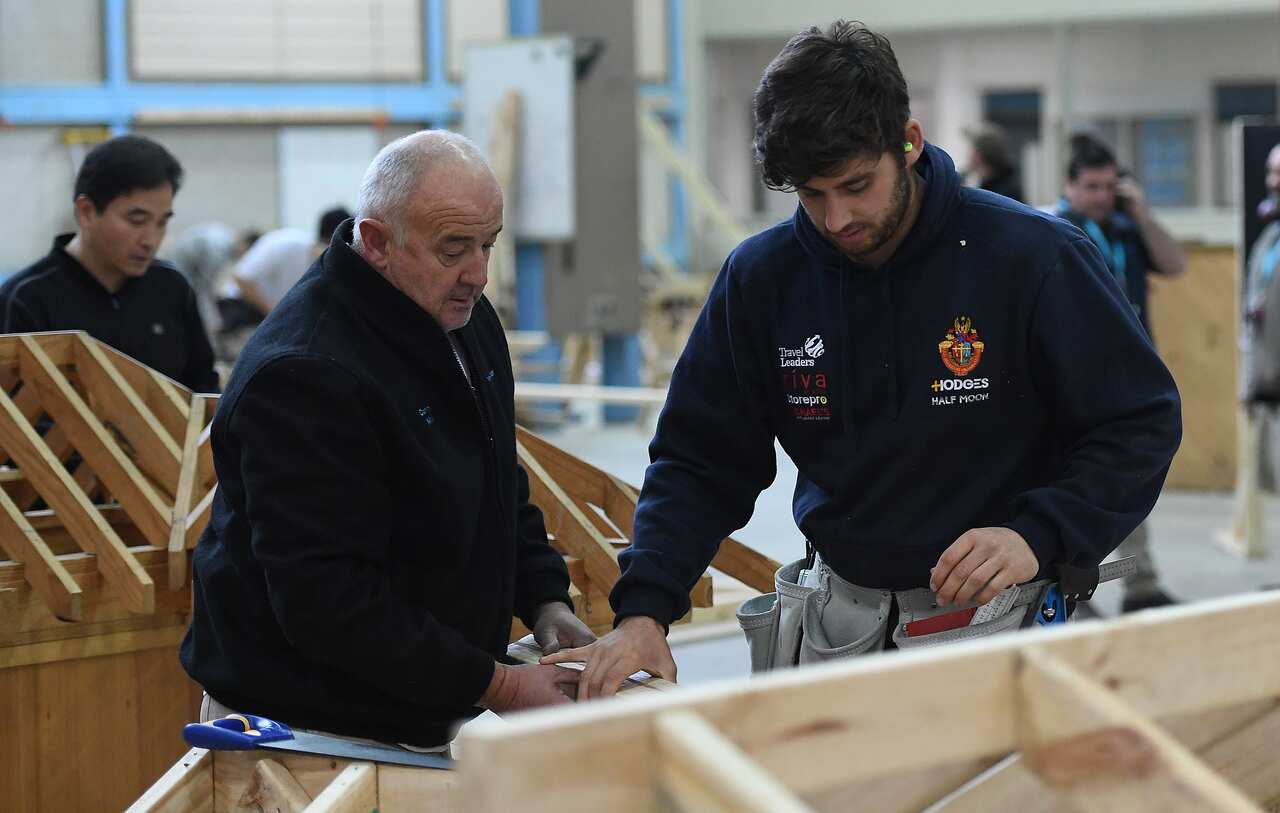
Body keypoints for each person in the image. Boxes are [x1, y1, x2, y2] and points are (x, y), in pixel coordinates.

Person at [543, 20, 1181, 697]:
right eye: (811, 195)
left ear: (908, 141)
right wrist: (647, 608)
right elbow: (701, 460)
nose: (836, 218)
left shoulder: (1032, 260)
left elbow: (1139, 423)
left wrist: (1040, 532)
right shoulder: (763, 280)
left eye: (856, 185)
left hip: (1005, 625)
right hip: (836, 630)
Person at [180, 131, 593, 749]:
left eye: (488, 245)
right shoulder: (304, 374)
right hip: (312, 729)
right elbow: (327, 601)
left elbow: (494, 479)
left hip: (425, 706)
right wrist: (500, 686)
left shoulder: (462, 319)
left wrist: (545, 600)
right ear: (374, 242)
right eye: (453, 248)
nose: (478, 275)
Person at [1055, 133, 1188, 612]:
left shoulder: (1127, 229)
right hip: (1073, 384)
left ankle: (1142, 587)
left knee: (1131, 479)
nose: (1102, 196)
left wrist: (1142, 213)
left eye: (1111, 186)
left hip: (1128, 382)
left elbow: (1175, 265)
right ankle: (1068, 590)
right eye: (1092, 187)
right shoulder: (1053, 233)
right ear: (1069, 187)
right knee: (1074, 486)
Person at [0, 135, 218, 392]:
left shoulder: (172, 288)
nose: (151, 240)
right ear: (86, 212)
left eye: (162, 222)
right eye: (137, 220)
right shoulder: (27, 298)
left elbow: (204, 386)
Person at [964, 122, 1024, 203]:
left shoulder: (999, 195)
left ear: (979, 156)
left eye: (973, 150)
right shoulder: (999, 186)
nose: (969, 156)